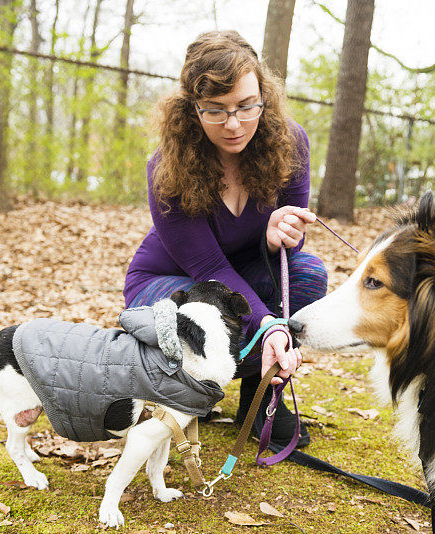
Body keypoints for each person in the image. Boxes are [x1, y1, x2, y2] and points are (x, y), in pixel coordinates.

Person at [123, 30, 327, 448]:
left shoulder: (292, 145)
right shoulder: (167, 166)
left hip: (242, 275)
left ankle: (259, 394)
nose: (234, 124)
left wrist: (276, 240)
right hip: (170, 283)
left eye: (246, 106)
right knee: (202, 313)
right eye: (215, 110)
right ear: (192, 109)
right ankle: (186, 392)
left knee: (309, 274)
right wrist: (267, 325)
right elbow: (208, 270)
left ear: (262, 96)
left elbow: (290, 255)